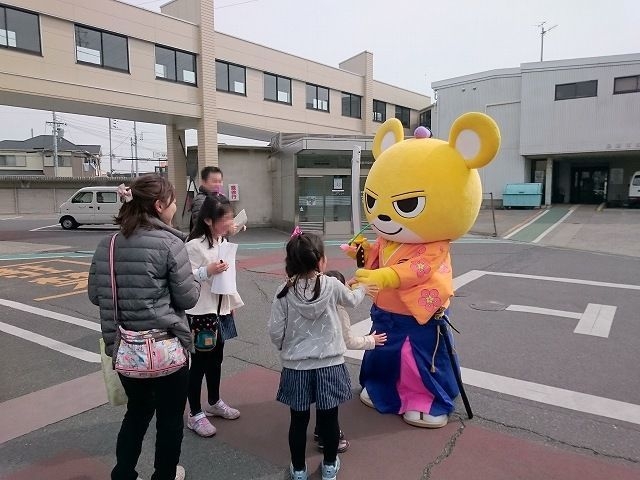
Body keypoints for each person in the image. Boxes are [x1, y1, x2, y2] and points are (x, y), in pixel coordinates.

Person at [88, 174, 200, 480]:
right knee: (170, 420)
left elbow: (95, 294)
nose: (176, 206)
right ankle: (164, 474)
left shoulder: (107, 244)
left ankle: (123, 472)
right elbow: (188, 298)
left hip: (125, 350)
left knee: (136, 413)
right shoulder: (170, 242)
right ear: (160, 204)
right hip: (167, 351)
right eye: (174, 201)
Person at [268, 228, 372, 480]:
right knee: (329, 419)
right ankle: (328, 467)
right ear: (321, 260)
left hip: (296, 367)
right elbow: (352, 300)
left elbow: (274, 332)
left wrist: (288, 349)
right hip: (330, 366)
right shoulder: (332, 285)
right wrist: (364, 287)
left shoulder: (284, 291)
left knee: (298, 421)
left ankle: (299, 470)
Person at [184, 194, 244, 437]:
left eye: (230, 218)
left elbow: (227, 276)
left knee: (217, 358)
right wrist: (205, 271)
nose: (229, 223)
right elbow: (185, 277)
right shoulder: (193, 245)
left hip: (221, 308)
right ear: (208, 220)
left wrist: (230, 301)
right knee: (199, 363)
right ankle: (195, 413)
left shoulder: (222, 240)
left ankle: (214, 401)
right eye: (225, 219)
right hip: (201, 312)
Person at [312, 270, 386, 453]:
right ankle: (329, 437)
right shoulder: (339, 311)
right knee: (329, 402)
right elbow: (348, 340)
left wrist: (348, 283)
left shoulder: (314, 296)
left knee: (318, 399)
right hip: (330, 362)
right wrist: (371, 340)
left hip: (309, 359)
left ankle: (319, 429)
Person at [190, 166, 223, 230]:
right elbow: (201, 226)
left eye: (220, 181)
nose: (218, 184)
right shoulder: (200, 201)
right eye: (214, 181)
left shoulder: (219, 198)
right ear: (203, 182)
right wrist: (228, 229)